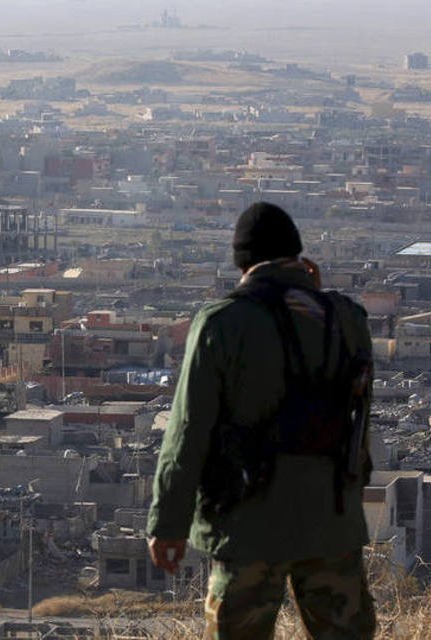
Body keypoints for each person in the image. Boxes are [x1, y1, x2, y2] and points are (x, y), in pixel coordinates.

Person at [146, 202, 376, 639]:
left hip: (247, 522)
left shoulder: (222, 323)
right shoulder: (347, 319)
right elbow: (360, 423)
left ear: (244, 265)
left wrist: (167, 525)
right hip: (331, 519)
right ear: (298, 257)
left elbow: (187, 433)